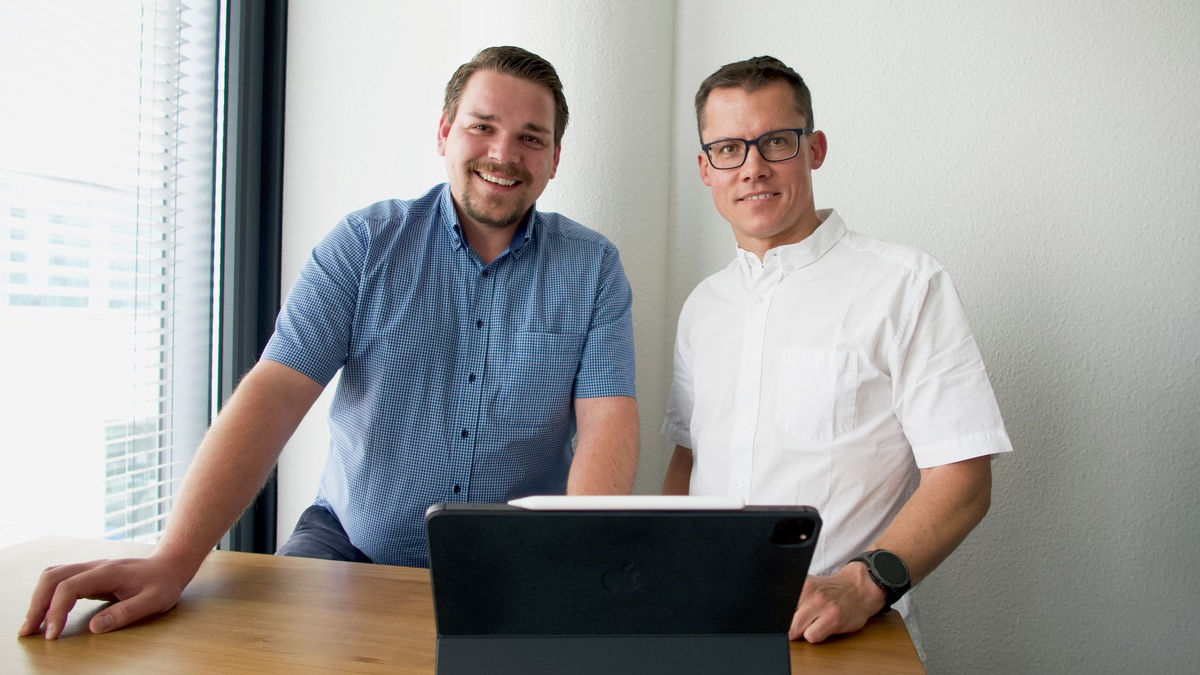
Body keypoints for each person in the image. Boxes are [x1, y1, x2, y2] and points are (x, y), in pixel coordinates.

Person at [21, 46, 639, 641]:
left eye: (532, 137)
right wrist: (175, 558)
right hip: (348, 544)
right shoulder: (366, 244)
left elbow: (608, 425)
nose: (504, 154)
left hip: (519, 561)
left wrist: (568, 569)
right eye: (483, 127)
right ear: (445, 133)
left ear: (555, 157)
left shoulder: (593, 268)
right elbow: (274, 394)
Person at [661, 56, 1011, 651]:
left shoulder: (905, 285)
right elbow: (689, 463)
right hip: (706, 629)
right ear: (705, 168)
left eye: (775, 142)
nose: (752, 168)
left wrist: (863, 584)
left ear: (814, 149)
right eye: (728, 150)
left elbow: (964, 478)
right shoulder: (703, 305)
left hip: (845, 639)